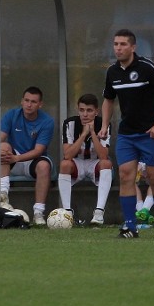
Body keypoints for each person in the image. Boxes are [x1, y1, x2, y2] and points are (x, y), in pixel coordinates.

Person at [100, 29, 154, 238]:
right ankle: (130, 227)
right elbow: (108, 99)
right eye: (116, 44)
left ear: (133, 47)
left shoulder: (147, 67)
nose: (118, 48)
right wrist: (105, 124)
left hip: (151, 133)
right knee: (126, 176)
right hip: (127, 134)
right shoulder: (112, 72)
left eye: (123, 44)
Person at [0, 86, 55, 225]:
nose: (29, 104)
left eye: (33, 101)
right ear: (22, 101)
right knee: (2, 147)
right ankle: (3, 198)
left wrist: (17, 158)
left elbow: (39, 150)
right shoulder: (12, 115)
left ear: (40, 104)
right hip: (12, 160)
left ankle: (38, 213)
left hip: (32, 161)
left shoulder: (47, 121)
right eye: (26, 100)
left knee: (44, 165)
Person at [58, 93, 113, 225]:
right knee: (64, 164)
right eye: (82, 110)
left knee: (106, 163)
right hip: (77, 162)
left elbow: (104, 155)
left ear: (96, 111)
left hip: (95, 162)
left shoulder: (104, 124)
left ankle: (99, 213)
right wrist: (83, 134)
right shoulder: (69, 123)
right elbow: (67, 155)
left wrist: (93, 133)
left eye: (89, 110)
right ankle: (67, 214)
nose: (85, 114)